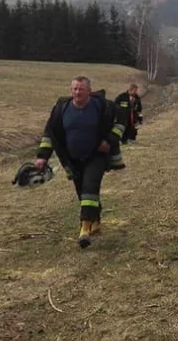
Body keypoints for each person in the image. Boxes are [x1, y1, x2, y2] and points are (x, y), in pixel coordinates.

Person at [34, 76, 127, 248]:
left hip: (96, 156)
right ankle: (95, 219)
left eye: (81, 89)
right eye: (74, 89)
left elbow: (122, 120)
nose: (77, 92)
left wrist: (110, 140)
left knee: (90, 187)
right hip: (72, 158)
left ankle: (84, 229)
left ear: (89, 91)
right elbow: (50, 134)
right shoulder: (61, 109)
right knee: (82, 191)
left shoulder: (103, 106)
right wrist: (42, 156)